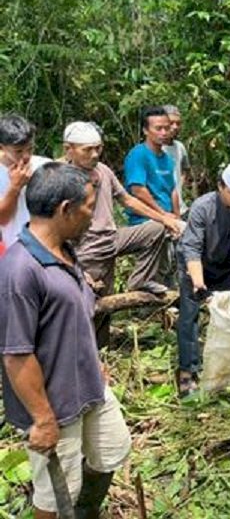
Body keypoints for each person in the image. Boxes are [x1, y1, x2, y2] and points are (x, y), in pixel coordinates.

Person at [0, 163, 131, 518]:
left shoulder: (66, 252)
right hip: (55, 403)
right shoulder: (20, 270)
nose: (94, 214)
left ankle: (86, 513)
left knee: (113, 449)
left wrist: (93, 361)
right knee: (56, 494)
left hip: (89, 387)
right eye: (89, 206)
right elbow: (16, 355)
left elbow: (72, 320)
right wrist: (43, 420)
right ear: (65, 210)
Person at [63, 121, 183, 347]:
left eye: (98, 148)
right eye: (87, 149)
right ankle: (93, 355)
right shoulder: (62, 178)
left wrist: (165, 218)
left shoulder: (104, 171)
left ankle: (142, 280)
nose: (95, 154)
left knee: (156, 229)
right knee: (97, 304)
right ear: (68, 149)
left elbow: (127, 200)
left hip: (112, 238)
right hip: (86, 248)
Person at [176, 161, 230, 397]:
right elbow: (192, 248)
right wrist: (198, 283)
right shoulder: (202, 207)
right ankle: (188, 373)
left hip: (225, 267)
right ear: (220, 186)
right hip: (195, 265)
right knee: (189, 317)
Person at [123, 106, 180, 225]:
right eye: (158, 129)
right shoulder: (138, 155)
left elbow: (173, 190)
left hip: (168, 218)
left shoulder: (167, 159)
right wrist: (162, 215)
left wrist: (177, 216)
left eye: (166, 128)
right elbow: (138, 190)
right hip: (145, 220)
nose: (163, 133)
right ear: (145, 130)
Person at [0, 114, 50, 248]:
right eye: (18, 151)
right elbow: (2, 219)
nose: (26, 156)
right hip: (14, 248)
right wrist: (15, 187)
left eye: (30, 149)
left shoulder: (44, 166)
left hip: (47, 245)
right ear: (2, 148)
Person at [163, 105, 191, 216]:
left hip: (181, 209)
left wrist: (179, 185)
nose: (175, 127)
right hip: (162, 212)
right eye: (171, 123)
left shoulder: (180, 147)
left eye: (178, 123)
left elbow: (186, 169)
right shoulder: (153, 150)